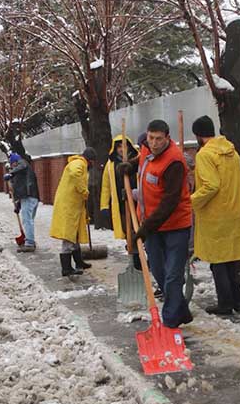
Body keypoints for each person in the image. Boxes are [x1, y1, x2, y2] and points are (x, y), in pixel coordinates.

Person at [119, 119, 193, 328]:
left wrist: (143, 229)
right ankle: (181, 311)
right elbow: (143, 161)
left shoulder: (174, 163)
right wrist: (129, 166)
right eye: (151, 138)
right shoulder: (146, 148)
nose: (154, 143)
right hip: (151, 223)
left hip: (175, 225)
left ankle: (169, 322)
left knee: (172, 275)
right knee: (159, 272)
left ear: (167, 138)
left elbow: (169, 203)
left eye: (158, 139)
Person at [190, 116, 240, 315]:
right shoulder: (232, 153)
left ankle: (225, 304)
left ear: (198, 135)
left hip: (216, 216)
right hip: (235, 213)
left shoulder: (205, 155)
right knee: (231, 262)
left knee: (218, 264)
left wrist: (191, 200)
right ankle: (238, 302)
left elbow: (211, 185)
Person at [50, 148, 97, 277]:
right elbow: (75, 174)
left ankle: (79, 262)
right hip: (68, 206)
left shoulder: (80, 163)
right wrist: (83, 190)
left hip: (73, 205)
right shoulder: (79, 163)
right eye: (93, 162)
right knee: (69, 235)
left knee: (74, 233)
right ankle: (66, 268)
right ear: (90, 160)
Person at [100, 135, 140, 268]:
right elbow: (106, 186)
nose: (122, 150)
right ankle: (134, 258)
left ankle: (138, 256)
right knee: (127, 231)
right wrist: (104, 206)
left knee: (139, 230)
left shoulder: (137, 159)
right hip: (121, 205)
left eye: (124, 146)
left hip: (137, 203)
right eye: (119, 147)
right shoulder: (110, 165)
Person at [4, 152, 40, 252]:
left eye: (12, 164)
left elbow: (22, 166)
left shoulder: (23, 164)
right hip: (29, 197)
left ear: (15, 162)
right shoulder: (21, 172)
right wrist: (18, 206)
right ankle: (29, 240)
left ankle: (29, 243)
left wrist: (10, 174)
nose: (11, 167)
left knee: (27, 220)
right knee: (28, 220)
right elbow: (19, 190)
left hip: (29, 197)